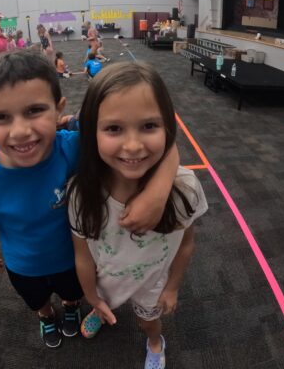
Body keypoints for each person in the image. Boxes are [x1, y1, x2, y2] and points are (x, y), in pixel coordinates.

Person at [0, 50, 179, 350]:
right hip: (22, 265)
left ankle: (70, 308)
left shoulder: (74, 147)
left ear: (58, 108)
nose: (21, 131)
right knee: (37, 300)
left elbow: (165, 142)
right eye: (1, 117)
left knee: (71, 292)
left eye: (35, 110)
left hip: (72, 259)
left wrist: (157, 193)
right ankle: (46, 316)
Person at [68, 62, 208, 369]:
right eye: (114, 128)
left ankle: (156, 345)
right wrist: (91, 297)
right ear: (91, 132)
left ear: (167, 128)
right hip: (106, 277)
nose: (133, 146)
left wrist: (172, 287)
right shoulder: (83, 193)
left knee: (149, 324)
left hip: (152, 283)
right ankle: (101, 309)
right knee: (106, 301)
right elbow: (83, 256)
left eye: (148, 126)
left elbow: (185, 245)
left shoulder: (184, 189)